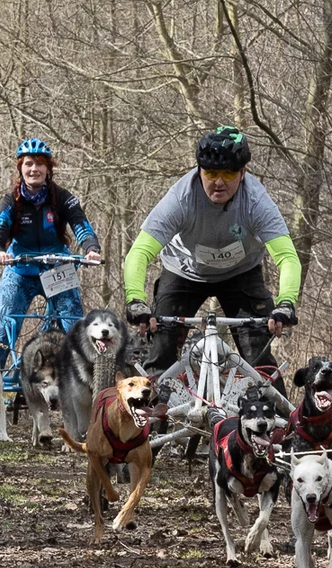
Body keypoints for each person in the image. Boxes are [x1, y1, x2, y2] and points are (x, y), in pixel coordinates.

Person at [123, 126, 300, 396]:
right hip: (183, 273)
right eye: (210, 173)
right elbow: (139, 252)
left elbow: (287, 258)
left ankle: (283, 431)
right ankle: (151, 427)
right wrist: (135, 299)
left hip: (241, 274)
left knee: (259, 358)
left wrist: (286, 302)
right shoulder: (181, 197)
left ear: (243, 173)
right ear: (198, 170)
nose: (218, 182)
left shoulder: (256, 201)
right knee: (161, 354)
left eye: (228, 173)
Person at [0, 138, 102, 367]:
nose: (34, 169)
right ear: (20, 168)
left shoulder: (63, 198)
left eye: (40, 164)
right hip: (20, 270)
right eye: (29, 163)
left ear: (48, 168)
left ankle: (88, 385)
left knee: (75, 327)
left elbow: (81, 225)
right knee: (5, 328)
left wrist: (91, 249)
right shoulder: (10, 201)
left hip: (57, 268)